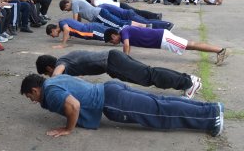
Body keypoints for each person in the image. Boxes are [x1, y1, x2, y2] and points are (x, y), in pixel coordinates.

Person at [20, 74, 224, 138]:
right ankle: (211, 109)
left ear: (35, 90)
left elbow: (73, 105)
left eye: (30, 96)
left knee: (160, 112)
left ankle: (210, 117)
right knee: (160, 102)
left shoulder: (51, 92)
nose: (31, 100)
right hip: (110, 89)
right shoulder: (54, 80)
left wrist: (67, 129)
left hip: (112, 101)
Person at [35, 50, 202, 99]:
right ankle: (187, 79)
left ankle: (188, 82)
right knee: (148, 74)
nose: (49, 75)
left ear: (49, 67)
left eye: (47, 73)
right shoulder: (66, 58)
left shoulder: (60, 64)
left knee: (148, 76)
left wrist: (47, 87)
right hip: (113, 62)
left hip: (113, 61)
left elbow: (57, 75)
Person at [104, 26, 229, 65]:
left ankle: (220, 50)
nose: (112, 43)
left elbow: (126, 46)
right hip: (162, 38)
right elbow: (127, 46)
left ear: (114, 36)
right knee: (191, 45)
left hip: (163, 38)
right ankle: (220, 50)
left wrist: (125, 60)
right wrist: (127, 57)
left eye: (111, 41)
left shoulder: (124, 31)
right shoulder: (126, 33)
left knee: (192, 45)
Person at [59, 0, 172, 30]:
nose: (68, 10)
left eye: (66, 8)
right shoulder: (77, 4)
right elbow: (78, 18)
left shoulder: (74, 3)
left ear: (67, 3)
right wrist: (79, 27)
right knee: (119, 24)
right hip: (99, 16)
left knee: (119, 24)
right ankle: (154, 25)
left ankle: (162, 25)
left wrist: (73, 27)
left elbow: (74, 18)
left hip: (99, 15)